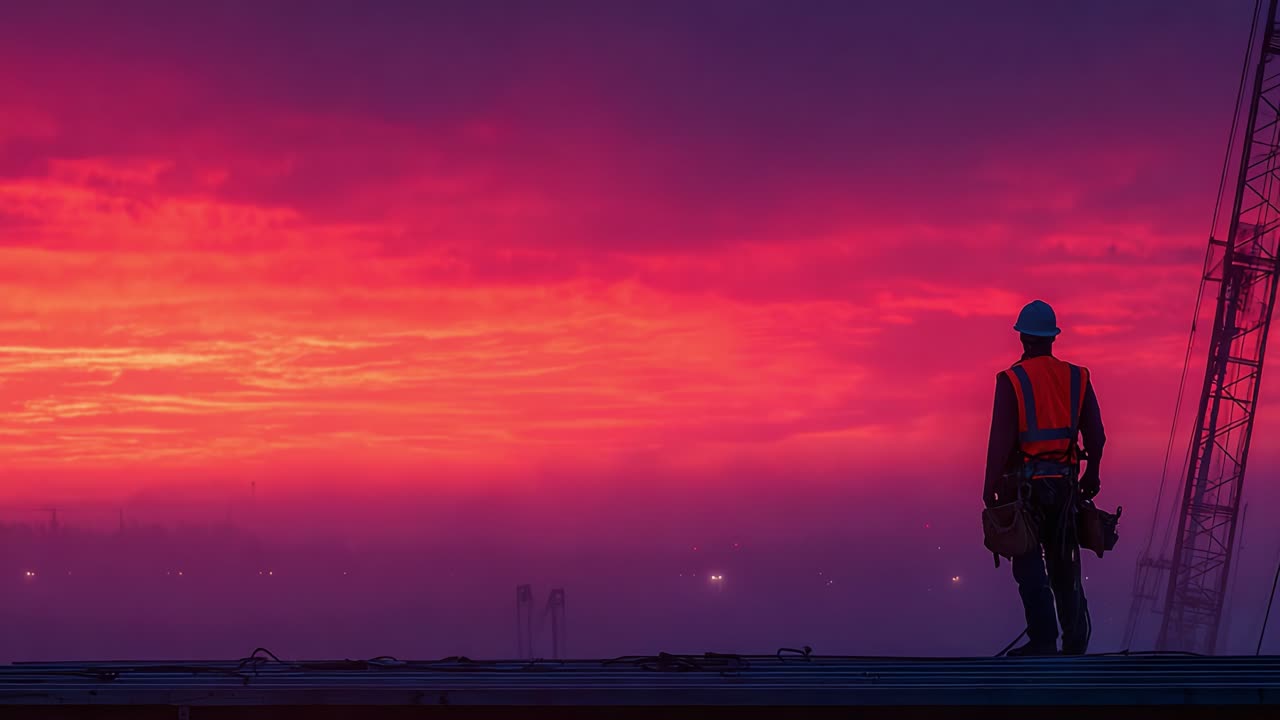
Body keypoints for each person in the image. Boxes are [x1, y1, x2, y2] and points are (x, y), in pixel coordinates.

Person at [984, 300, 1106, 657]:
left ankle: (1043, 640)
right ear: (1052, 338)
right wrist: (1093, 473)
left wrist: (990, 487)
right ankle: (1074, 643)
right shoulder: (1077, 377)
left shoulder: (1012, 380)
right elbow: (1096, 436)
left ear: (1022, 337)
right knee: (1064, 563)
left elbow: (1000, 440)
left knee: (1027, 563)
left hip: (1026, 490)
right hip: (1066, 487)